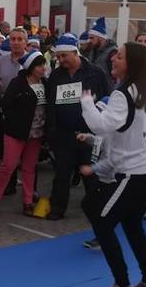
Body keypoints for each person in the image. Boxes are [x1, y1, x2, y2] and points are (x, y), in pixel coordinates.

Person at [76, 42, 146, 287]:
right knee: (132, 224)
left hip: (135, 173)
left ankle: (123, 286)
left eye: (120, 57)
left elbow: (101, 126)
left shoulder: (123, 94)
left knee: (102, 221)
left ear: (133, 64)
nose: (114, 59)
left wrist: (87, 103)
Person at [45, 33, 112, 219]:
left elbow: (108, 99)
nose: (60, 60)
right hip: (63, 134)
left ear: (75, 52)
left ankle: (98, 210)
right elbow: (50, 104)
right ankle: (57, 209)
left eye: (64, 56)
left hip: (89, 134)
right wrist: (51, 131)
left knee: (91, 176)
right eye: (58, 57)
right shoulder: (56, 75)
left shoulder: (96, 73)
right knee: (61, 175)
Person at [0, 49, 49, 217]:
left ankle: (28, 201)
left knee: (30, 168)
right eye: (39, 65)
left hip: (36, 134)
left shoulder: (45, 83)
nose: (43, 68)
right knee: (8, 165)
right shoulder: (18, 82)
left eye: (43, 65)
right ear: (31, 67)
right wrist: (15, 122)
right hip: (16, 132)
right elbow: (6, 104)